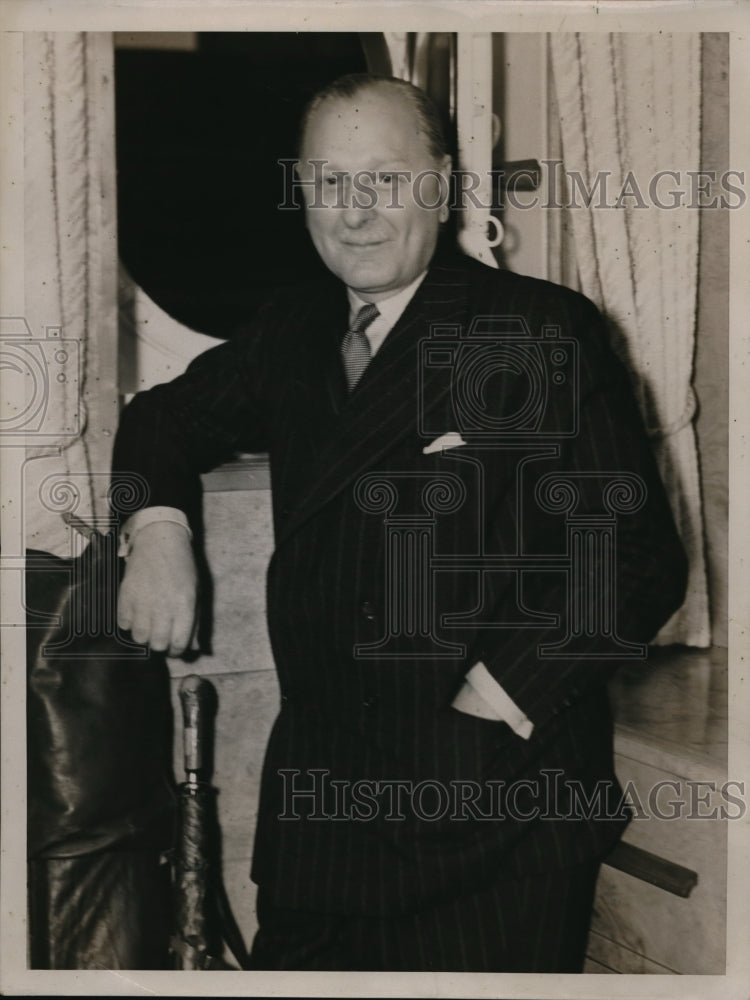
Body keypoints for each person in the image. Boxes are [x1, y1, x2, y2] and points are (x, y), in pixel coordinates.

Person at [112, 73, 687, 972]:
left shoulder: (535, 329)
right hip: (321, 824)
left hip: (491, 817)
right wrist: (156, 531)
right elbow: (160, 418)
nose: (355, 213)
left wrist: (492, 705)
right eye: (328, 183)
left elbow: (637, 559)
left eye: (385, 178)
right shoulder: (293, 330)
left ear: (445, 183)